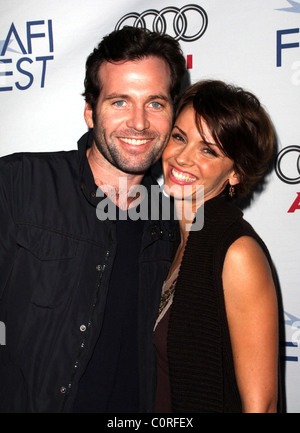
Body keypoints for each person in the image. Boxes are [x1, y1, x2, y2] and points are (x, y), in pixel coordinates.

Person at [0, 26, 187, 413]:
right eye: (119, 102)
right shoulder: (18, 185)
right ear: (90, 111)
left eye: (155, 103)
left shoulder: (173, 220)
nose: (138, 122)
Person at [153, 79, 282, 413]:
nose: (182, 157)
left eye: (207, 150)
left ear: (235, 173)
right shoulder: (165, 242)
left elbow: (262, 406)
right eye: (179, 137)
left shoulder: (236, 253)